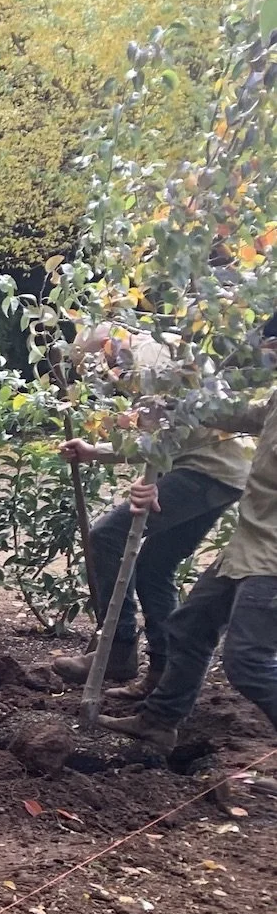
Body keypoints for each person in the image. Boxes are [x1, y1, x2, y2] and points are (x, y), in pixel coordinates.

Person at [99, 317, 277, 775]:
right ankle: (159, 721)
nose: (266, 355)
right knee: (190, 625)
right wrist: (173, 404)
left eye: (272, 346)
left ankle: (142, 686)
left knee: (249, 663)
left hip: (271, 558)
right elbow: (227, 416)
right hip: (249, 546)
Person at [51, 327, 254, 700]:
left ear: (110, 348)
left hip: (204, 469)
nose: (107, 376)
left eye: (101, 366)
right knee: (154, 567)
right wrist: (96, 451)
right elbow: (160, 429)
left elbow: (158, 427)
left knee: (105, 536)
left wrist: (158, 482)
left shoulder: (151, 357)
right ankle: (163, 671)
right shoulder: (152, 356)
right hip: (220, 472)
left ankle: (119, 648)